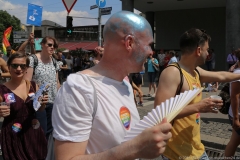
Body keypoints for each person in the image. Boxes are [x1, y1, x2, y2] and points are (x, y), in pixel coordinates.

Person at [52, 11, 172, 160]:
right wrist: (135, 148)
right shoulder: (78, 88)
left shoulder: (126, 84)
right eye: (148, 45)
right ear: (129, 43)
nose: (151, 51)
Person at [154, 28, 240, 160]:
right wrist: (199, 107)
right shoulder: (172, 73)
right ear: (199, 51)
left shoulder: (195, 71)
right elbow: (160, 113)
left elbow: (222, 75)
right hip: (177, 154)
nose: (208, 54)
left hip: (196, 149)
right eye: (207, 50)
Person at [0, 52, 48, 160]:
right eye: (14, 65)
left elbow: (40, 109)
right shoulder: (2, 90)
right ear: (8, 67)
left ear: (26, 68)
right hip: (13, 135)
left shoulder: (33, 85)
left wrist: (43, 102)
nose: (18, 68)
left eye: (22, 66)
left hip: (33, 133)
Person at [24, 36, 61, 140]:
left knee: (49, 132)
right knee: (40, 130)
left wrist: (60, 98)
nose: (52, 47)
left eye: (54, 46)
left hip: (52, 102)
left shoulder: (54, 62)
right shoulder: (33, 59)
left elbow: (56, 81)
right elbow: (27, 82)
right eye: (49, 44)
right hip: (38, 103)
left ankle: (45, 153)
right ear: (42, 45)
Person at [225, 48, 240, 158]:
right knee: (234, 141)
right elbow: (234, 97)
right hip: (238, 114)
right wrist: (236, 118)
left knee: (234, 141)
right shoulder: (238, 74)